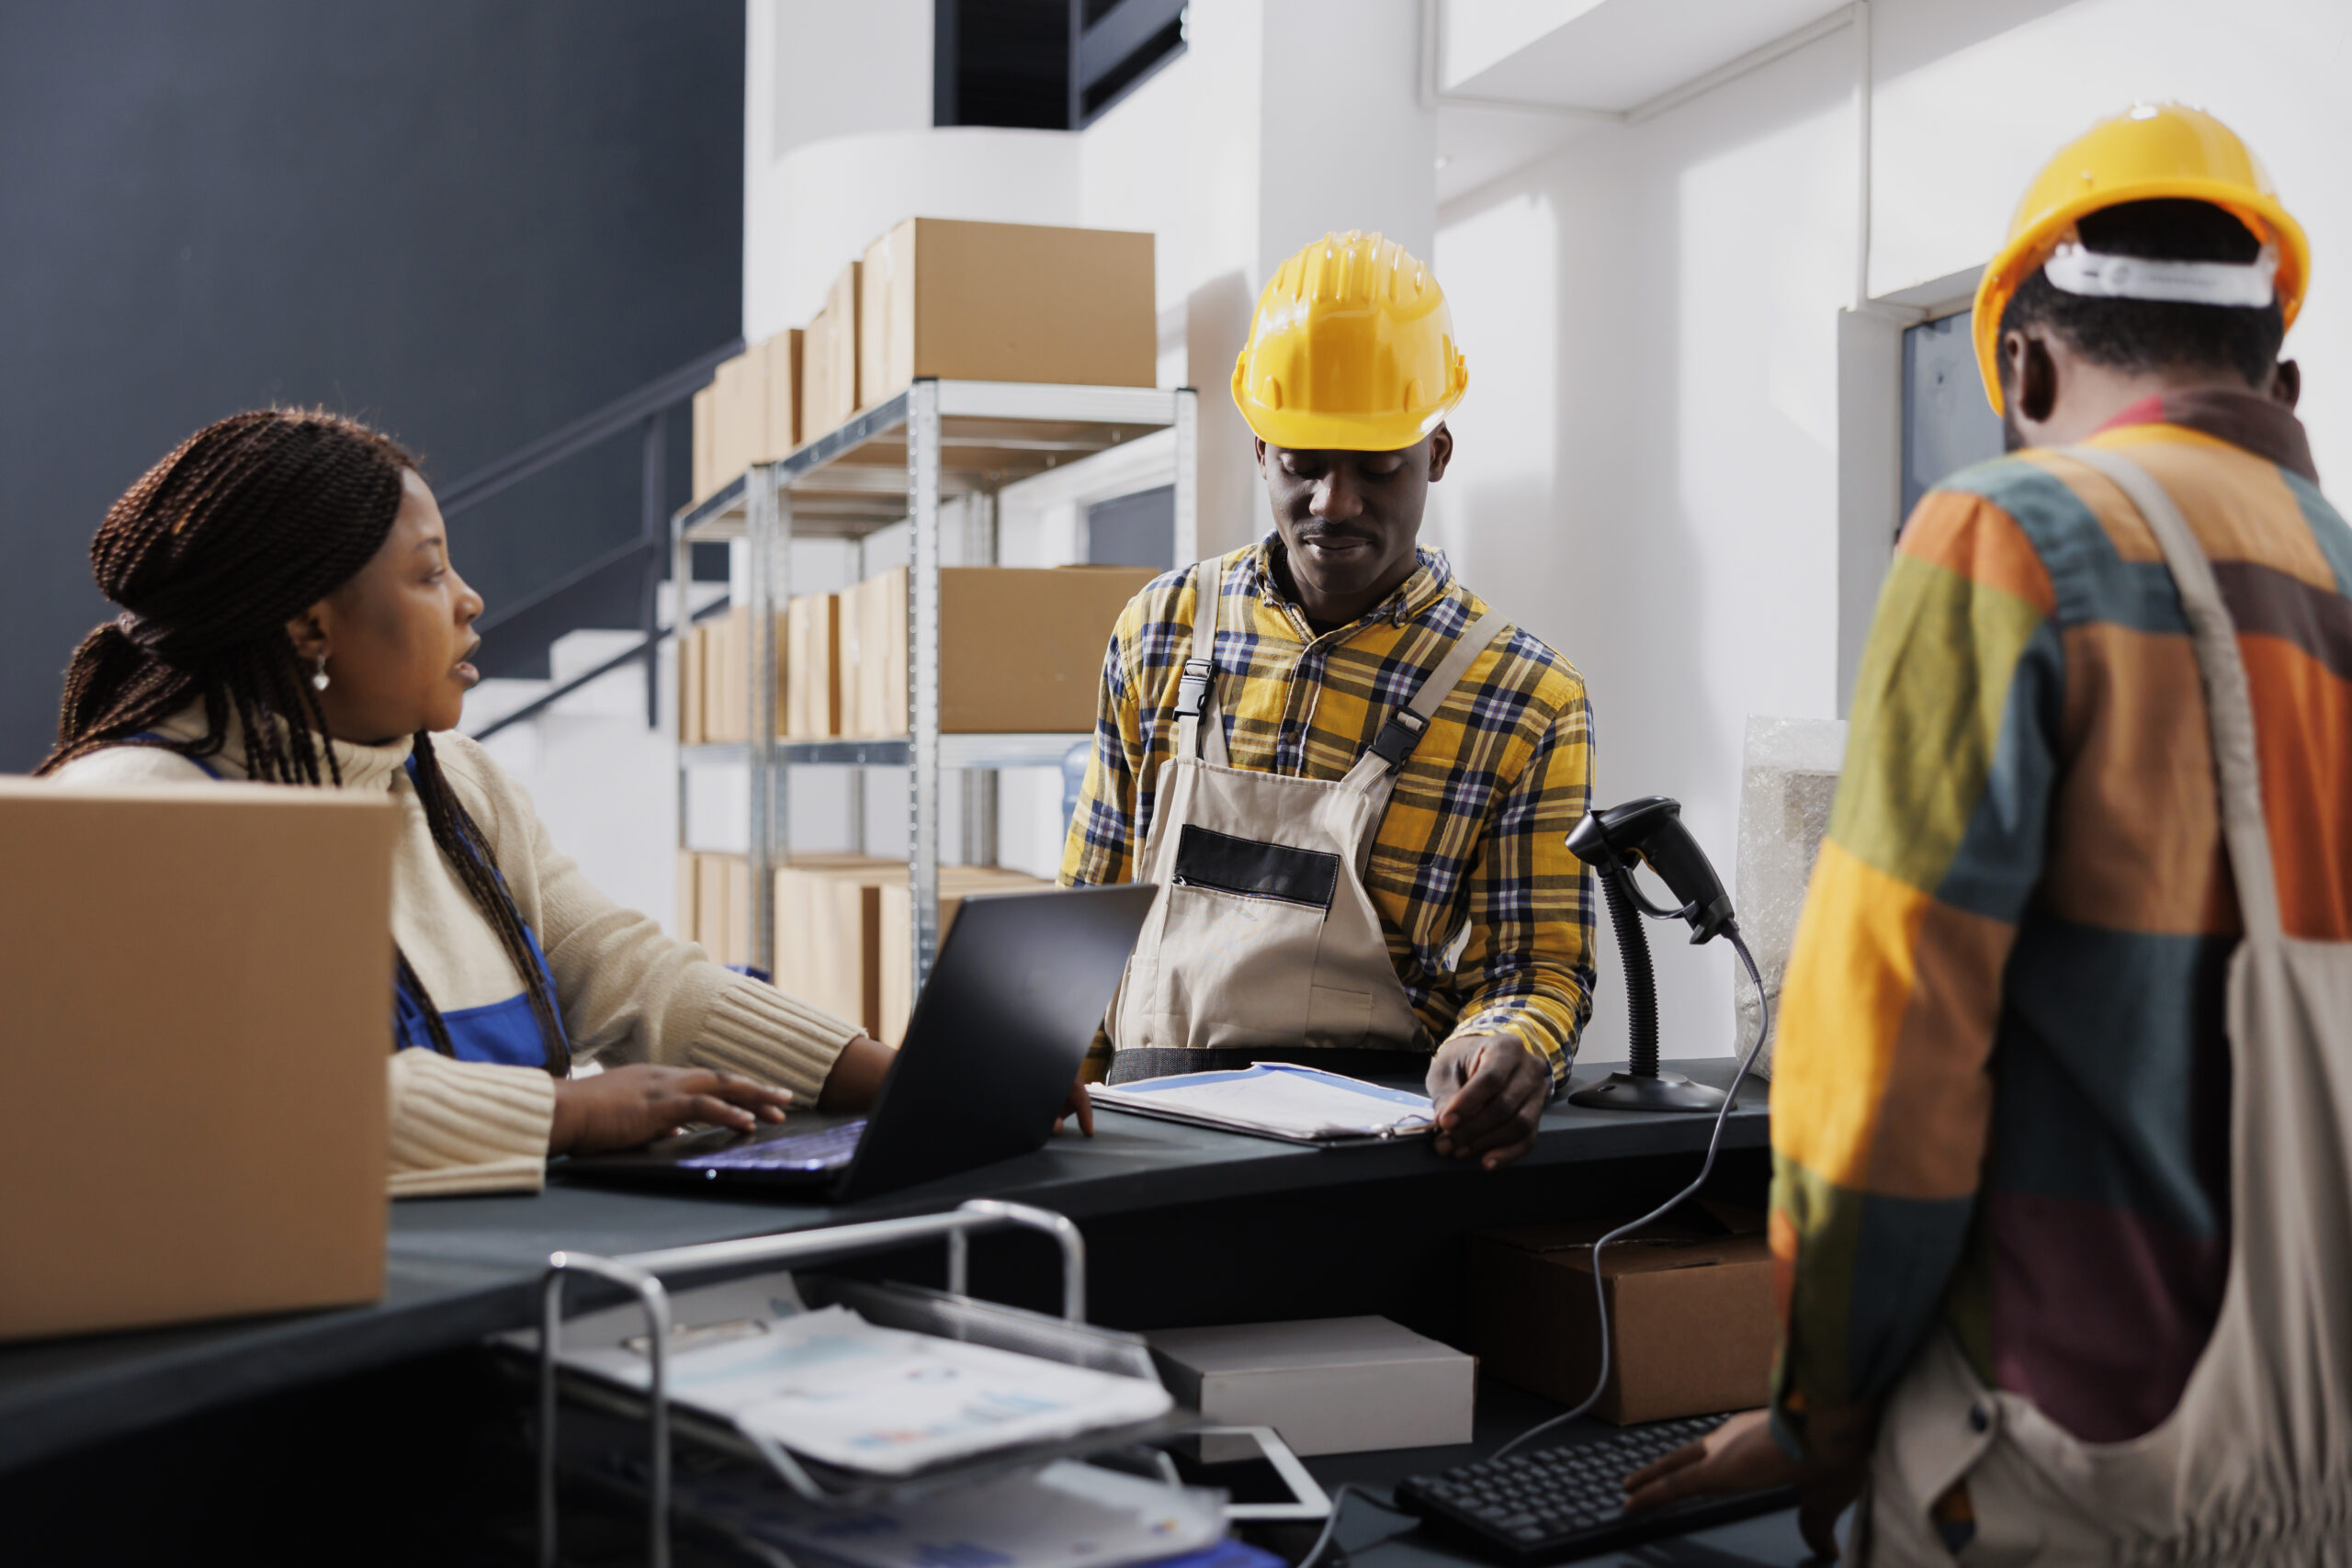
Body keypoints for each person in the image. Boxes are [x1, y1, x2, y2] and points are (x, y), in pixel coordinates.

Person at [1622, 106, 2352, 1561]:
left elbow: (1888, 1051)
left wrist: (1822, 1401)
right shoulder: (2334, 581)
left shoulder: (2013, 532)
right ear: (2282, 376)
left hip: (2060, 1455)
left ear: (2020, 365)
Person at [40, 408, 906, 1196]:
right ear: (310, 627)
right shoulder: (129, 816)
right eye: (429, 575)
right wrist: (565, 1113)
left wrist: (886, 1071)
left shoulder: (454, 783)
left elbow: (627, 971)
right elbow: (238, 1100)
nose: (469, 599)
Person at [1060, 231, 1595, 1171]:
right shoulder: (1160, 630)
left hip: (1371, 1166)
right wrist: (1037, 1091)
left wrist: (1509, 1046)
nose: (1334, 502)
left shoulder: (1523, 698)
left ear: (1436, 452)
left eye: (1375, 467)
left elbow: (1533, 967)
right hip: (1139, 1149)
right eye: (1303, 463)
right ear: (1259, 446)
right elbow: (1086, 915)